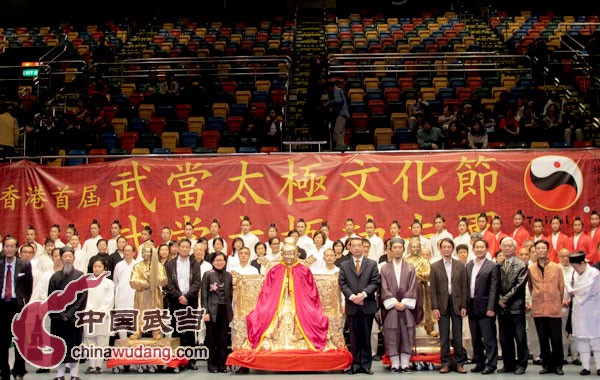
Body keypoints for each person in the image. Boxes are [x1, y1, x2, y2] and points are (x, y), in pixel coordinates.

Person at [246, 240, 331, 351]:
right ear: (282, 254)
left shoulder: (304, 270)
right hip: (277, 302)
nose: (289, 257)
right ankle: (272, 343)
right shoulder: (275, 270)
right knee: (271, 313)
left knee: (308, 314)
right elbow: (267, 291)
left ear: (296, 254)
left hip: (301, 302)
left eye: (291, 254)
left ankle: (301, 344)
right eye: (286, 254)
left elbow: (311, 292)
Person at [339, 237, 381, 374]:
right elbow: (342, 283)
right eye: (354, 246)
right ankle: (356, 364)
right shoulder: (344, 265)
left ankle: (366, 365)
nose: (357, 248)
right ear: (349, 248)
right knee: (354, 336)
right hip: (352, 306)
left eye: (359, 245)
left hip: (367, 304)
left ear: (364, 248)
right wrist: (352, 297)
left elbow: (375, 282)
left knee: (366, 335)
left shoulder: (372, 264)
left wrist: (363, 295)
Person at [379, 238, 419, 373]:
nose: (397, 250)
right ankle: (395, 363)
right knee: (391, 333)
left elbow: (413, 286)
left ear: (403, 249)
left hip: (406, 306)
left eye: (399, 247)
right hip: (392, 307)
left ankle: (405, 363)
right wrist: (394, 302)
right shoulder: (384, 268)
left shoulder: (410, 267)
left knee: (407, 332)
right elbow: (383, 288)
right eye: (394, 247)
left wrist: (405, 302)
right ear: (390, 249)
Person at [48, 246, 88, 380]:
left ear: (74, 258)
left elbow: (82, 298)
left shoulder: (80, 276)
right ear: (61, 258)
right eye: (65, 256)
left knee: (74, 347)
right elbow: (51, 298)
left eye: (70, 256)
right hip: (58, 320)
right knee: (59, 347)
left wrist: (69, 314)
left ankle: (74, 375)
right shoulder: (55, 277)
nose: (67, 259)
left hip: (74, 319)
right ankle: (59, 375)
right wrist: (60, 315)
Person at [430, 238, 468, 373]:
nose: (446, 249)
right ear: (440, 249)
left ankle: (459, 363)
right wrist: (434, 307)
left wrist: (464, 306)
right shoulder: (434, 266)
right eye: (444, 247)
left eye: (449, 247)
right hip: (442, 305)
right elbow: (432, 289)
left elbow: (465, 287)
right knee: (444, 336)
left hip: (457, 303)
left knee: (458, 336)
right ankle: (445, 363)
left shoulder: (460, 265)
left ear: (452, 248)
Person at [529, 240, 565, 375]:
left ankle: (558, 365)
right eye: (538, 248)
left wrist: (556, 301)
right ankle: (546, 365)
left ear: (548, 250)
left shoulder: (556, 267)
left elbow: (561, 287)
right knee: (542, 339)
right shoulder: (531, 268)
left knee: (556, 339)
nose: (541, 250)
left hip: (553, 308)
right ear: (535, 251)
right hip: (538, 308)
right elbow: (530, 286)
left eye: (543, 248)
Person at [165, 239, 201, 370]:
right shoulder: (170, 264)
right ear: (178, 248)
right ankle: (177, 360)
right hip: (175, 302)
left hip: (190, 301)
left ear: (190, 249)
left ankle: (191, 361)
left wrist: (186, 296)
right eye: (182, 246)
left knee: (190, 332)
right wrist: (179, 296)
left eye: (187, 247)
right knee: (176, 330)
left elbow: (197, 282)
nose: (185, 249)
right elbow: (168, 284)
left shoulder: (195, 264)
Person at [1, 236, 33, 380]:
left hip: (17, 306)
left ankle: (19, 371)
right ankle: (4, 372)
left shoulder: (24, 265)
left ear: (16, 249)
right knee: (2, 341)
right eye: (6, 246)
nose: (8, 249)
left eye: (11, 246)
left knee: (19, 340)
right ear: (3, 248)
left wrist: (23, 303)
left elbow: (28, 287)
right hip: (1, 306)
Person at [467, 239, 500, 374]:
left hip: (486, 307)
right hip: (472, 306)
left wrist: (491, 308)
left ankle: (491, 364)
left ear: (486, 249)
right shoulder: (469, 265)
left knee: (489, 338)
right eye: (477, 247)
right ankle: (479, 362)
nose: (479, 249)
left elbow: (494, 289)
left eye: (482, 247)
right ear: (473, 249)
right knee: (475, 338)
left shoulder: (492, 266)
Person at [497, 237, 529, 375]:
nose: (507, 248)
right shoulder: (500, 265)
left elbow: (519, 286)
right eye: (505, 246)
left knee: (520, 337)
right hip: (502, 308)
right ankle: (508, 364)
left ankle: (521, 364)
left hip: (516, 307)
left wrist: (505, 299)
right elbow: (495, 285)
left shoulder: (521, 264)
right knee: (505, 338)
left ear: (515, 248)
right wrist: (499, 299)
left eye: (510, 246)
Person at [569, 251, 600, 376]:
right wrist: (574, 291)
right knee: (582, 339)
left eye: (576, 266)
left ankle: (599, 366)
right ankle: (585, 367)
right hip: (578, 310)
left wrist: (574, 291)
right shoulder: (574, 273)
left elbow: (588, 289)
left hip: (593, 309)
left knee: (596, 339)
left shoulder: (594, 273)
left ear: (583, 263)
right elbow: (568, 286)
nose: (575, 269)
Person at [201, 252, 233, 373]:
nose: (219, 262)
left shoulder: (228, 275)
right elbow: (204, 295)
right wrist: (206, 312)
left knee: (223, 339)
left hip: (225, 310)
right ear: (213, 262)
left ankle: (222, 364)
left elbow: (230, 295)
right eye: (217, 260)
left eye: (222, 260)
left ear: (225, 262)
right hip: (212, 310)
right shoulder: (208, 274)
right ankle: (212, 365)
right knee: (211, 339)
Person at [129, 245, 168, 340]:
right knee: (140, 312)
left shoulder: (158, 266)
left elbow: (164, 281)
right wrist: (144, 284)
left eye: (148, 252)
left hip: (154, 294)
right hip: (141, 294)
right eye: (143, 252)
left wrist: (153, 277)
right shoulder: (137, 266)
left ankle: (156, 331)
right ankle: (138, 331)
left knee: (155, 312)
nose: (146, 254)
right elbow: (132, 281)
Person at [83, 259, 114, 374]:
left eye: (99, 266)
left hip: (103, 316)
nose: (97, 269)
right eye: (95, 266)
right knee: (89, 341)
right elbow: (85, 299)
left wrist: (101, 311)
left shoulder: (109, 283)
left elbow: (109, 300)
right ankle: (91, 365)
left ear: (104, 268)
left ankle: (98, 366)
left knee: (102, 341)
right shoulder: (87, 282)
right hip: (89, 314)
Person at [405, 236, 436, 337]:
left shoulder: (424, 260)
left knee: (424, 307)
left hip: (422, 288)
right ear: (409, 248)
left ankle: (428, 328)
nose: (415, 249)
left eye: (417, 247)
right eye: (413, 247)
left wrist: (416, 275)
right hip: (408, 289)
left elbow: (428, 274)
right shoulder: (405, 260)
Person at [557, 248, 578, 365]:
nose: (565, 258)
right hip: (559, 305)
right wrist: (560, 301)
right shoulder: (555, 268)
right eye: (563, 256)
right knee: (561, 332)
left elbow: (578, 286)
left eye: (567, 256)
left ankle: (575, 356)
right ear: (558, 257)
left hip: (574, 304)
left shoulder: (576, 269)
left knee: (574, 331)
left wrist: (571, 300)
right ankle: (563, 356)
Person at [112, 244, 137, 340]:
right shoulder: (119, 265)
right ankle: (123, 340)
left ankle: (135, 341)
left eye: (129, 251)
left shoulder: (137, 265)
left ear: (134, 252)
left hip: (134, 294)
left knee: (135, 317)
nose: (127, 252)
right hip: (121, 295)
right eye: (125, 251)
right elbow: (115, 281)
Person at [326, 80, 349, 149]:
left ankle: (341, 147)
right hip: (343, 114)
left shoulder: (336, 90)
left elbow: (338, 101)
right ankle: (341, 146)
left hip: (342, 114)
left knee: (337, 131)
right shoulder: (338, 90)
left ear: (331, 87)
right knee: (339, 133)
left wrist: (329, 103)